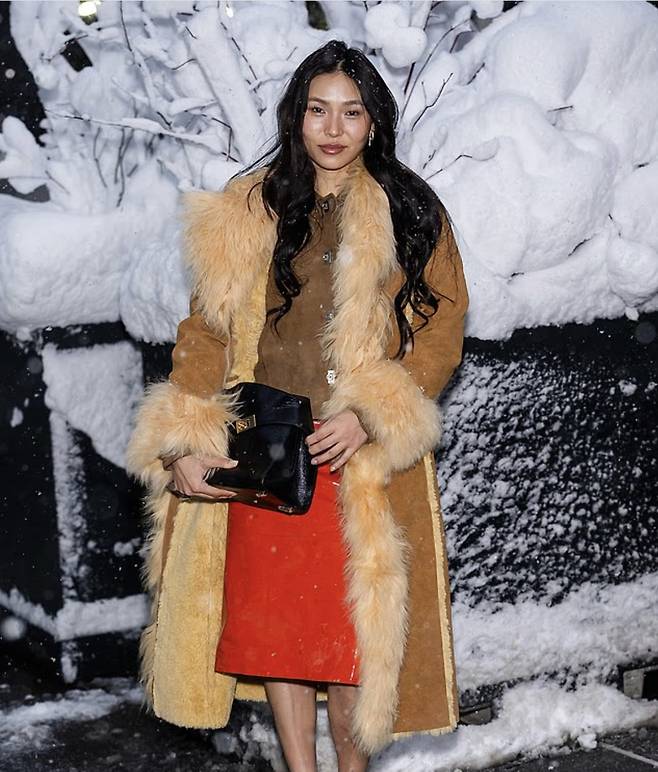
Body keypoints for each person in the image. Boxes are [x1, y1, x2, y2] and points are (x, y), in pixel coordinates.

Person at [126, 39, 468, 772]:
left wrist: (370, 414)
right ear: (297, 117)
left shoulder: (410, 212)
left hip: (353, 458)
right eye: (318, 110)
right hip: (265, 451)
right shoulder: (248, 210)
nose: (333, 128)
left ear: (373, 122)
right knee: (279, 638)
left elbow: (441, 334)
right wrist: (184, 438)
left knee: (350, 649)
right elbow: (205, 332)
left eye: (351, 112)